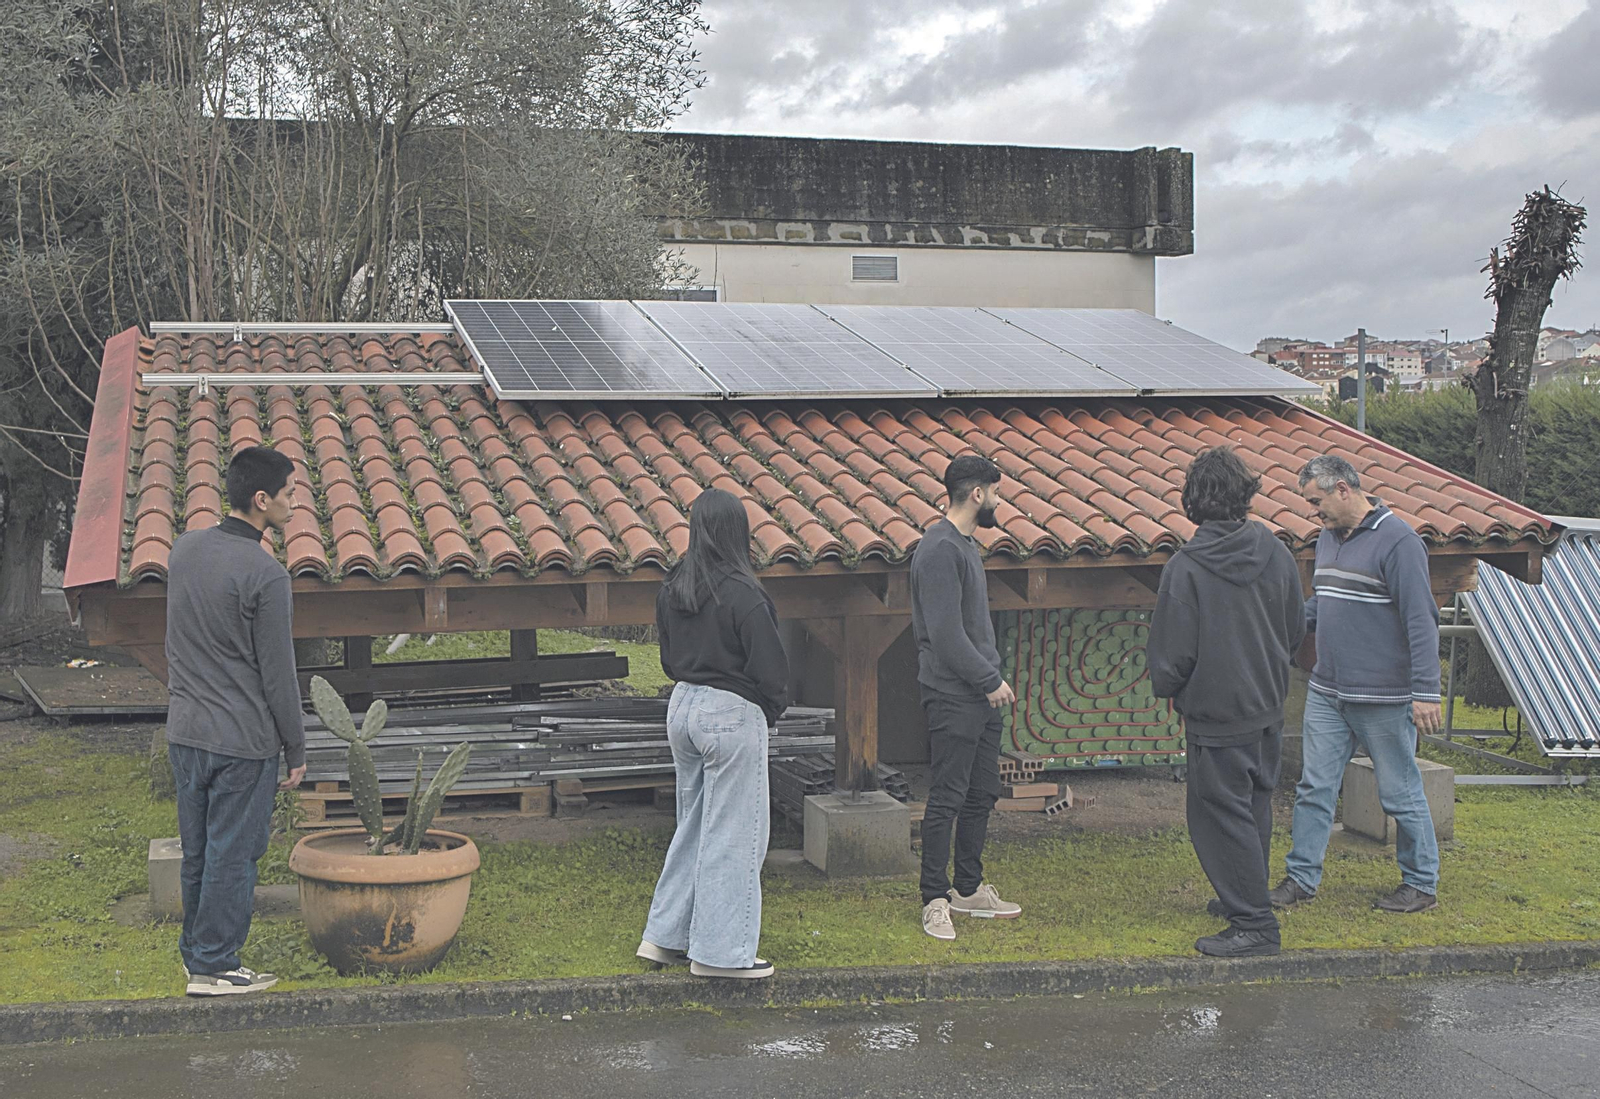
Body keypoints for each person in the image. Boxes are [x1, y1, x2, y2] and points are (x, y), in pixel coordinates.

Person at [1148, 447, 1306, 958]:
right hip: (1266, 704)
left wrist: (1172, 688)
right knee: (1254, 807)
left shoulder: (1186, 568)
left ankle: (1255, 924)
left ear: (1193, 501)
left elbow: (1172, 654)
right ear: (1245, 494)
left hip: (1216, 713)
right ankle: (1246, 896)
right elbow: (1296, 627)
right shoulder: (1276, 552)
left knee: (1219, 817)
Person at [165, 445, 307, 996]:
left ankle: (196, 957)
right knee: (233, 854)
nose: (295, 503)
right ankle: (216, 965)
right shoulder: (267, 575)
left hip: (186, 733)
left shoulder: (183, 550)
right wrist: (295, 748)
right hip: (242, 742)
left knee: (199, 852)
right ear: (261, 499)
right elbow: (279, 675)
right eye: (290, 493)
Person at [1274, 454, 1443, 914]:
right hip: (1328, 692)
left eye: (1317, 502)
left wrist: (1426, 692)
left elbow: (1421, 620)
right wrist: (1279, 630)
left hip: (1383, 697)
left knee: (1399, 792)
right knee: (1314, 788)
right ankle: (1300, 879)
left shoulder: (1400, 542)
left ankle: (1421, 884)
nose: (1314, 512)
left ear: (1343, 489)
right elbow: (1322, 604)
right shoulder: (1327, 541)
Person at [639, 487, 790, 979]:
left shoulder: (673, 586)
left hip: (682, 705)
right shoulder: (744, 593)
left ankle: (664, 937)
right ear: (738, 531)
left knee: (693, 827)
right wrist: (767, 709)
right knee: (735, 834)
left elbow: (667, 659)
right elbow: (772, 671)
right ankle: (721, 955)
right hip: (731, 711)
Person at [910, 453, 1022, 941]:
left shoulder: (965, 546)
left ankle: (969, 890)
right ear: (977, 494)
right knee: (948, 796)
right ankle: (934, 900)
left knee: (981, 792)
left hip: (980, 697)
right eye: (995, 492)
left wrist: (987, 684)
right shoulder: (939, 549)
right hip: (953, 695)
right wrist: (989, 679)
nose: (998, 501)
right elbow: (945, 634)